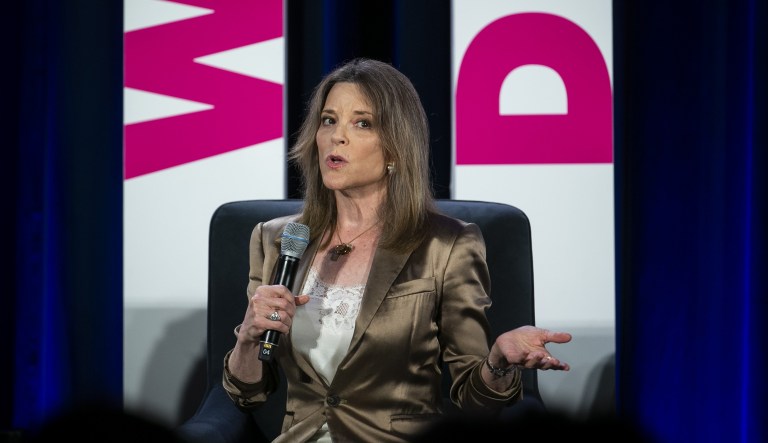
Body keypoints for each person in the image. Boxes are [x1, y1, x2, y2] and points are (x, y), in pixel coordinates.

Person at [222, 57, 572, 443]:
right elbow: (248, 392)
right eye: (328, 120)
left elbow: (475, 402)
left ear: (394, 149)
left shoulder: (446, 245)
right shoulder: (276, 239)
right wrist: (248, 339)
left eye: (362, 123)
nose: (337, 137)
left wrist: (499, 360)